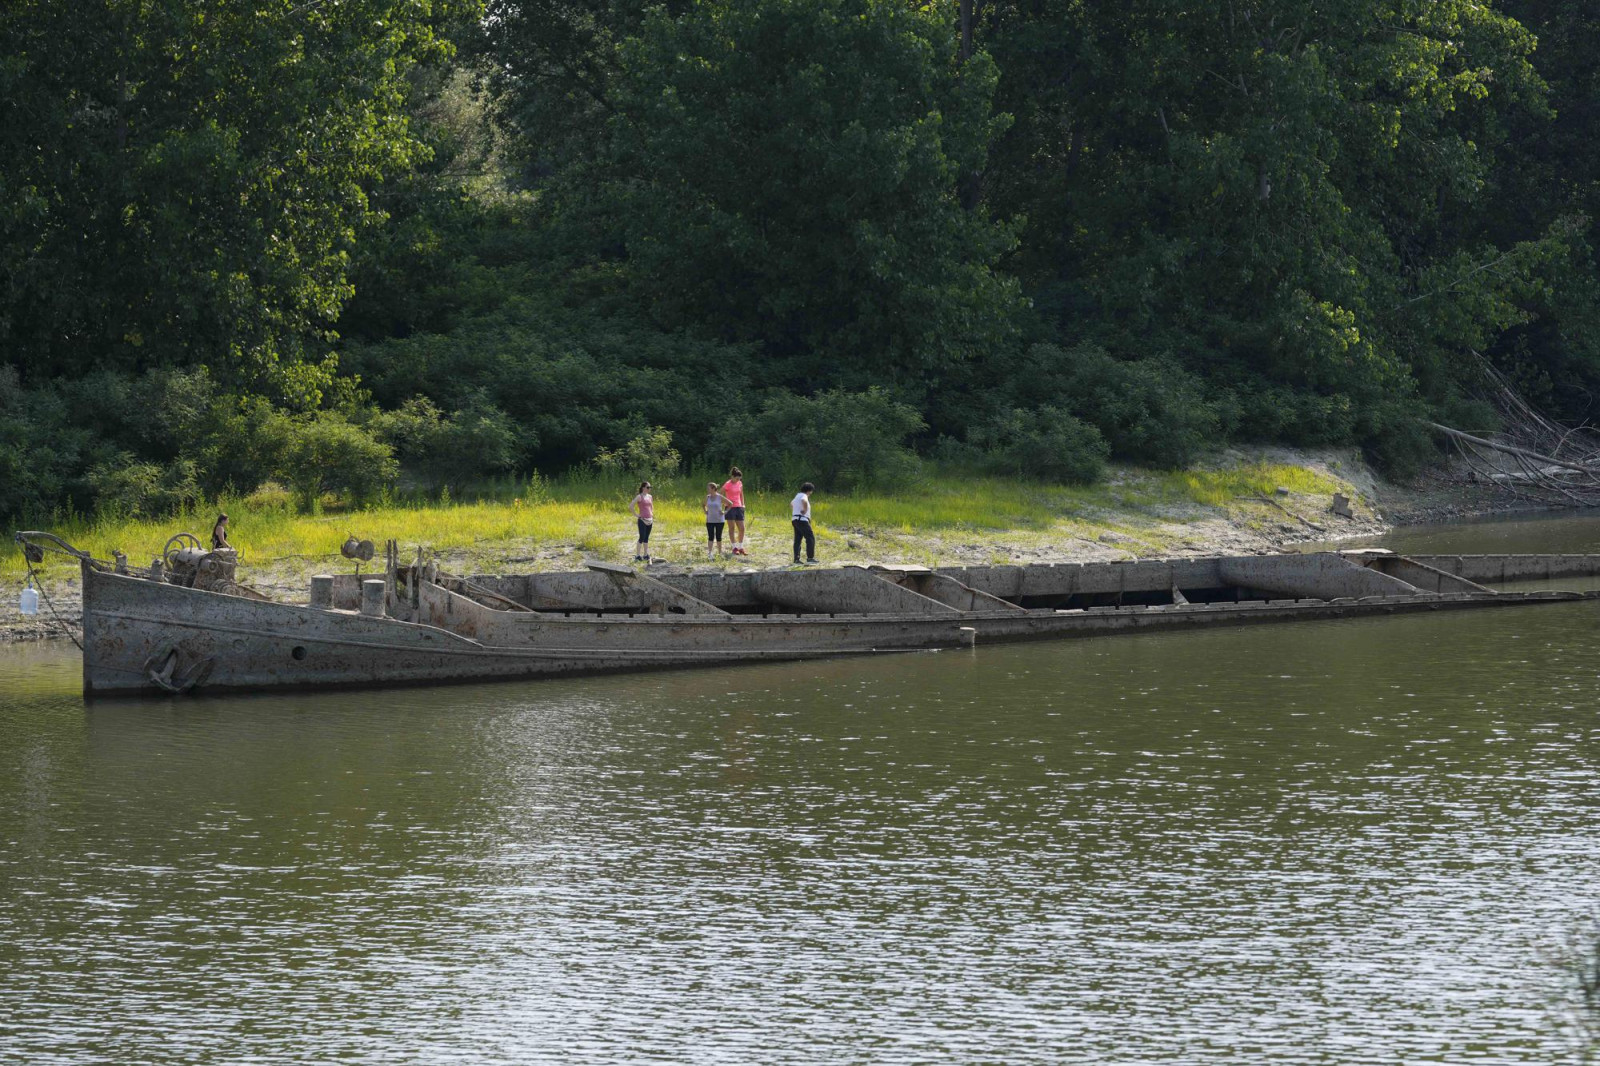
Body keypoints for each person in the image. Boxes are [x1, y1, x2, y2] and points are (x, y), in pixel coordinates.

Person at [720, 467, 748, 556]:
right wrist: (725, 503)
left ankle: (740, 547)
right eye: (736, 478)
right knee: (731, 528)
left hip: (739, 508)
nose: (738, 480)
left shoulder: (740, 483)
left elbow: (741, 494)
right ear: (732, 476)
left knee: (742, 528)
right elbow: (720, 494)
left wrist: (743, 504)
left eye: (739, 479)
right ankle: (734, 547)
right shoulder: (727, 484)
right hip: (730, 508)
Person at [791, 482, 817, 565]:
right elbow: (804, 501)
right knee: (810, 538)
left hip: (795, 519)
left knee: (798, 540)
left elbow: (791, 504)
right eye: (811, 491)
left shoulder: (797, 496)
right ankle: (810, 558)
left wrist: (797, 510)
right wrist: (805, 510)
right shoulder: (803, 496)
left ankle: (796, 560)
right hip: (801, 519)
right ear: (809, 491)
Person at [703, 481, 730, 560]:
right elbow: (703, 504)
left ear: (714, 488)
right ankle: (710, 553)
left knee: (719, 537)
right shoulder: (707, 497)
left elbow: (730, 503)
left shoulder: (719, 497)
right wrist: (705, 511)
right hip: (710, 520)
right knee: (710, 537)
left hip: (719, 520)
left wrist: (725, 512)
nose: (707, 489)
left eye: (709, 488)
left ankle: (720, 553)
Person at [630, 481, 655, 564]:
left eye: (650, 487)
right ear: (643, 488)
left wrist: (652, 515)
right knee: (642, 537)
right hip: (642, 520)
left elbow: (651, 507)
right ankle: (637, 555)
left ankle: (645, 555)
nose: (649, 489)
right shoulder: (639, 496)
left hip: (650, 520)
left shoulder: (650, 496)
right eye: (648, 487)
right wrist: (637, 515)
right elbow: (631, 506)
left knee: (646, 538)